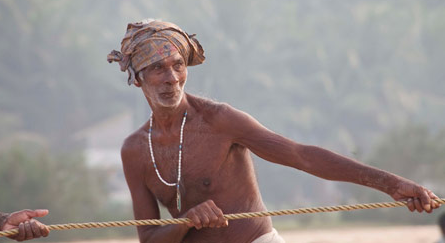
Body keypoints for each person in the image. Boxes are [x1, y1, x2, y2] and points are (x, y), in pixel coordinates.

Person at [108, 19, 441, 243]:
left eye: (177, 65)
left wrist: (392, 184)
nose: (171, 78)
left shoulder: (219, 121)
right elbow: (149, 239)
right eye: (156, 69)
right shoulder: (134, 150)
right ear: (137, 78)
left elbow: (301, 156)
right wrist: (186, 221)